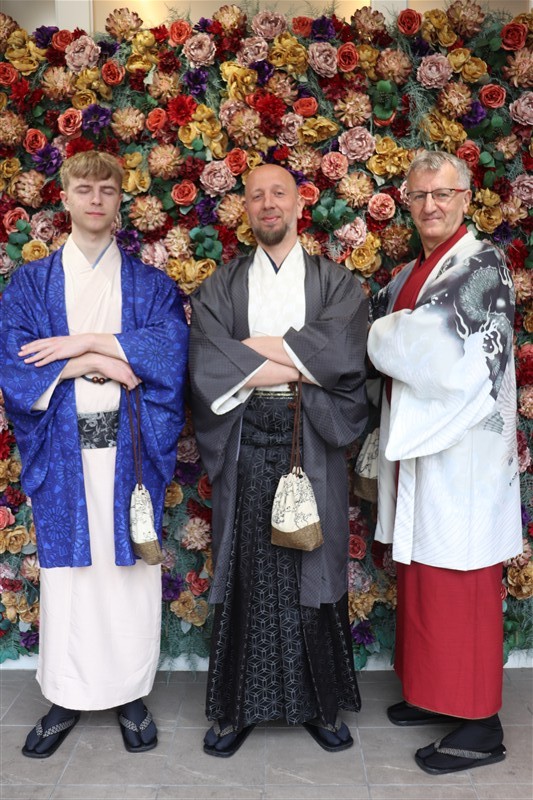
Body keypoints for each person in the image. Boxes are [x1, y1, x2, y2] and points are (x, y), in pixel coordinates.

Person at [0, 151, 188, 757]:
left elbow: (168, 354)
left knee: (130, 574)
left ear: (120, 199)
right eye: (84, 189)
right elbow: (16, 364)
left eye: (107, 189)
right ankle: (66, 695)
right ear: (64, 198)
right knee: (71, 580)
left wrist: (78, 345)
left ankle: (130, 695)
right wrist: (94, 361)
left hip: (130, 449)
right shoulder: (31, 285)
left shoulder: (150, 286)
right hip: (63, 450)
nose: (96, 199)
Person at [189, 163, 368, 757]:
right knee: (247, 568)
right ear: (244, 208)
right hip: (245, 438)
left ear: (299, 204)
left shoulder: (335, 283)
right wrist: (300, 360)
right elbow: (209, 360)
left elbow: (342, 356)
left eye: (279, 193)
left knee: (311, 562)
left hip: (310, 435)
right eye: (256, 195)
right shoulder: (222, 285)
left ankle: (320, 706)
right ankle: (237, 708)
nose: (268, 203)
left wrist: (252, 354)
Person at [367, 150, 522, 775]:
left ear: (465, 198)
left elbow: (431, 350)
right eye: (419, 195)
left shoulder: (482, 263)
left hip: (464, 454)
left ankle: (479, 725)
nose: (430, 205)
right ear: (407, 203)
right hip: (423, 449)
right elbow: (401, 326)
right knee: (423, 575)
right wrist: (395, 327)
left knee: (461, 579)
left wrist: (382, 333)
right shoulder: (416, 269)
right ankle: (434, 694)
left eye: (443, 194)